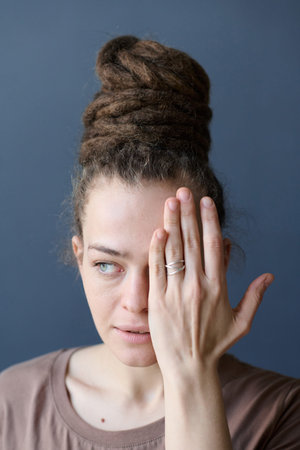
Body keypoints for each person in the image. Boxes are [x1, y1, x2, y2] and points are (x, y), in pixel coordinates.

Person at [1, 35, 299, 450]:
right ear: (79, 257)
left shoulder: (283, 413)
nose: (138, 301)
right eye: (108, 265)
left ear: (216, 265)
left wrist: (191, 372)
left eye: (168, 265)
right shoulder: (9, 403)